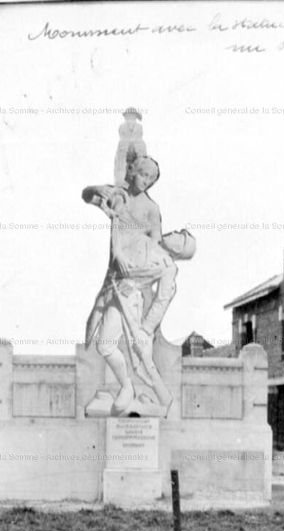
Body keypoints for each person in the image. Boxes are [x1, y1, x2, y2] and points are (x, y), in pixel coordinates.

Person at [82, 155, 178, 414]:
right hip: (112, 284)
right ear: (132, 171)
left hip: (131, 289)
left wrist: (139, 261)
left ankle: (164, 398)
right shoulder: (118, 196)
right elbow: (88, 196)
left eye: (151, 178)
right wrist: (98, 190)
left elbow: (155, 244)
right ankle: (127, 387)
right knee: (104, 345)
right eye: (142, 174)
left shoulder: (151, 209)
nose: (145, 181)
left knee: (141, 351)